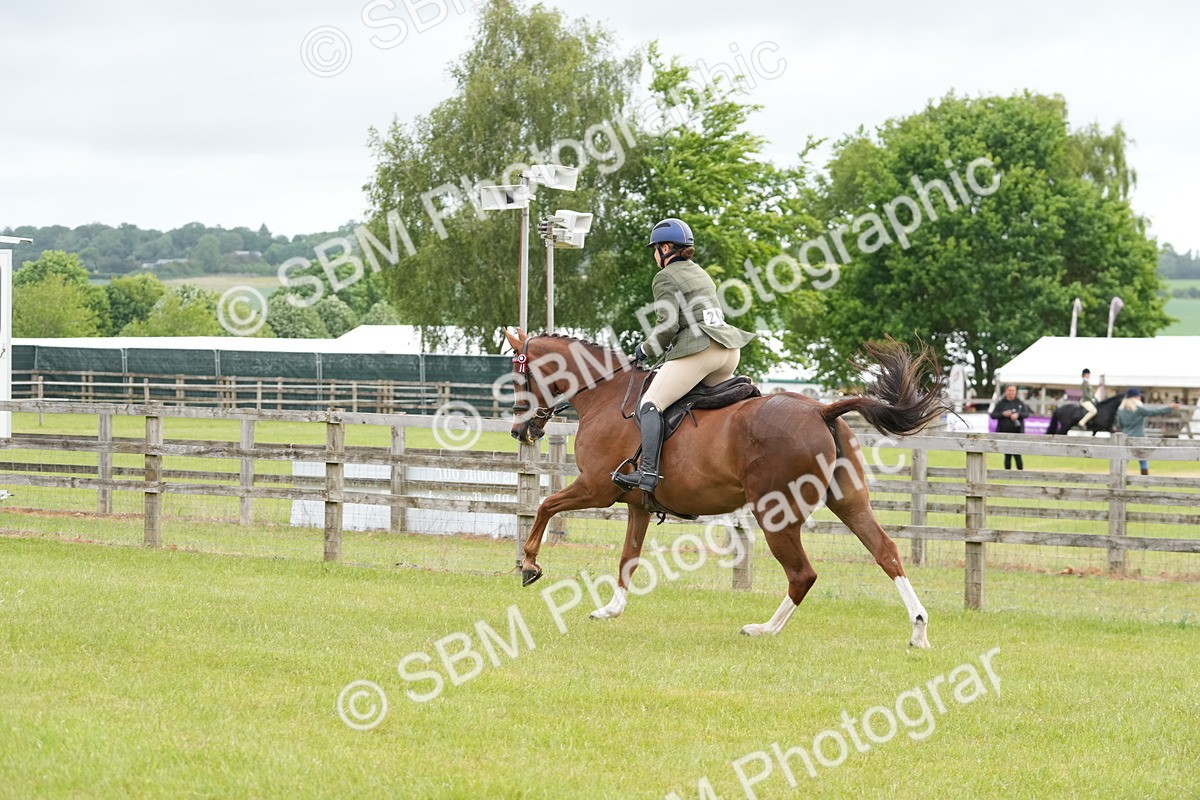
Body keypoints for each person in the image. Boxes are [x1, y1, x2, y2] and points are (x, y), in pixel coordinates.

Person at [612, 218, 756, 493]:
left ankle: (648, 474)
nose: (654, 255)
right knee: (687, 404)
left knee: (650, 405)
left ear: (666, 248)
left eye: (655, 248)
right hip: (728, 353)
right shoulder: (700, 272)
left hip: (701, 351)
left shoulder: (665, 277)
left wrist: (645, 349)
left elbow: (667, 326)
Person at [1115, 388, 1180, 475]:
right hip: (1139, 436)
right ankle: (1145, 479)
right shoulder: (1138, 409)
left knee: (1123, 459)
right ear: (1135, 398)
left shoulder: (1120, 410)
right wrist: (1169, 407)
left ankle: (1118, 476)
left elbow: (1119, 425)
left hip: (1125, 437)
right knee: (1143, 458)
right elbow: (1153, 412)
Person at [989, 384, 1029, 470]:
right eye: (1009, 390)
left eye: (1013, 390)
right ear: (1006, 391)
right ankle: (1007, 473)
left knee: (1018, 454)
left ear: (1016, 392)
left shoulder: (1019, 402)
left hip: (1017, 432)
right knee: (1007, 454)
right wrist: (1003, 414)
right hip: (1004, 432)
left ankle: (1020, 473)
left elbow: (1027, 414)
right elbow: (993, 415)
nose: (1011, 392)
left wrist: (1018, 415)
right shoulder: (1001, 403)